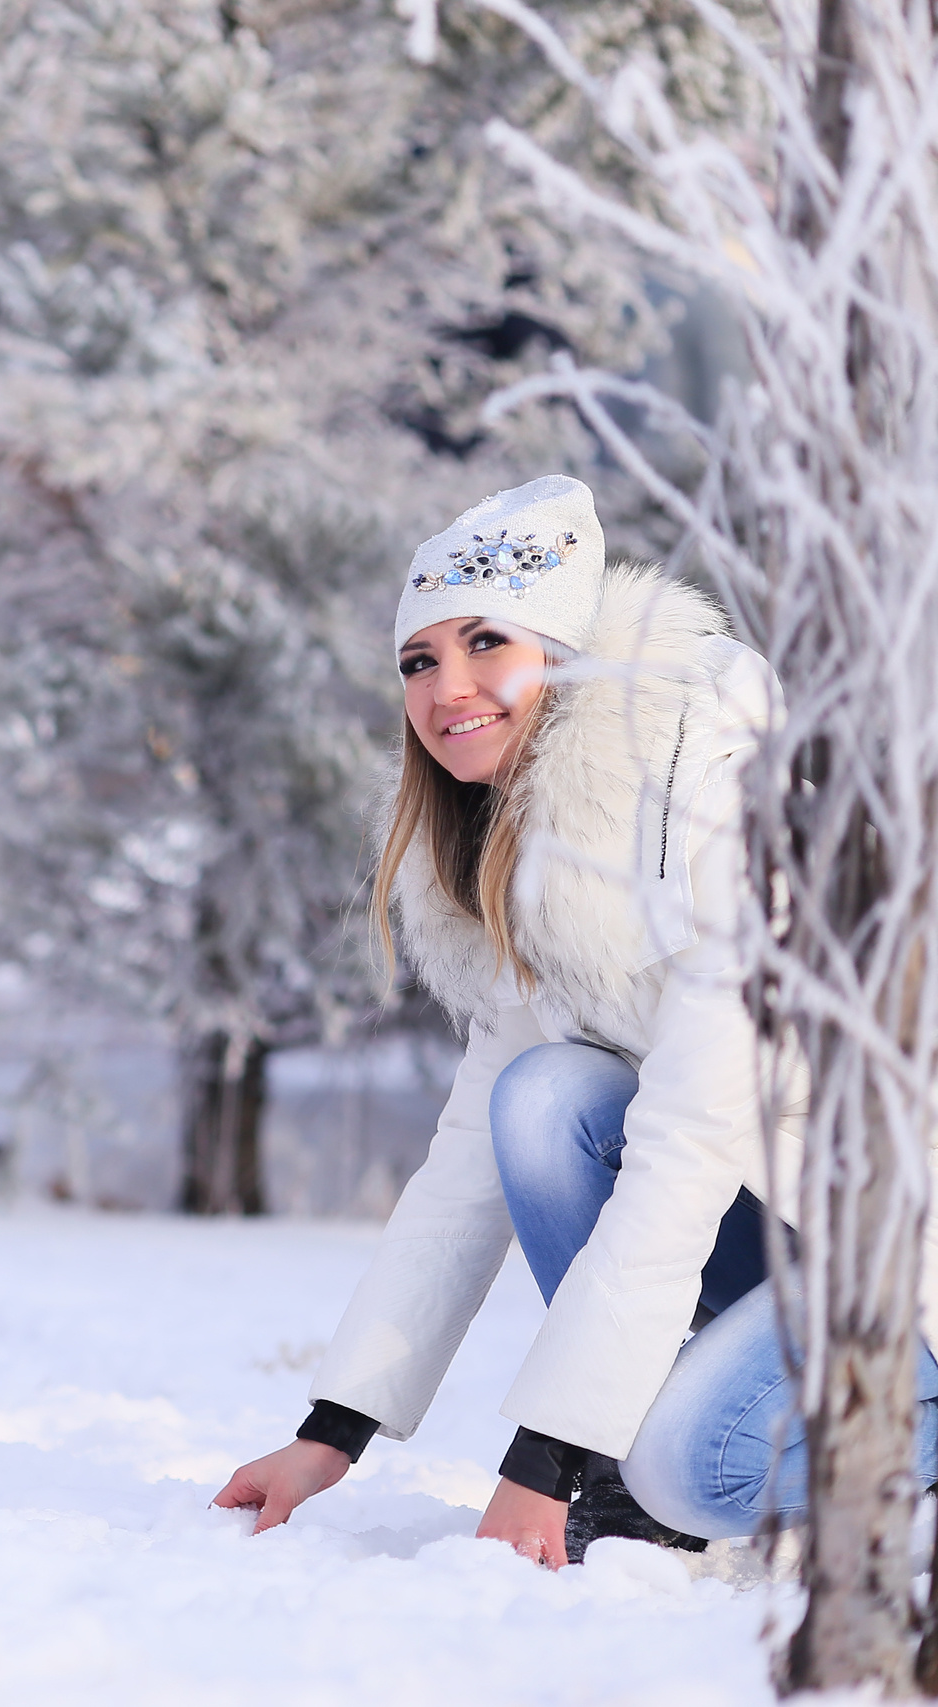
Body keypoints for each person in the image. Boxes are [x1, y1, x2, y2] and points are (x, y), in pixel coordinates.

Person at [213, 475, 938, 1566]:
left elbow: (686, 1146)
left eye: (485, 642)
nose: (445, 686)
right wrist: (331, 1435)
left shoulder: (731, 807)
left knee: (691, 1465)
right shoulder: (537, 858)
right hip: (791, 1239)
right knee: (544, 1100)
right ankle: (631, 1460)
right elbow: (465, 1172)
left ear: (565, 653)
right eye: (418, 660)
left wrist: (546, 1457)